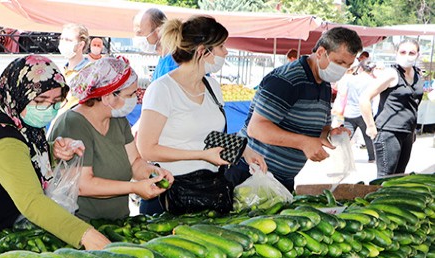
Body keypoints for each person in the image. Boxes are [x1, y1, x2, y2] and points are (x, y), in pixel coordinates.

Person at [0, 55, 111, 250]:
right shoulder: (3, 140)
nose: (48, 108)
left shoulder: (19, 123)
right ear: (19, 94)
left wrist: (52, 151)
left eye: (55, 101)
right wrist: (86, 236)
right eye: (40, 100)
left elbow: (20, 162)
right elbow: (32, 202)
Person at [136, 15, 267, 215]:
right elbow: (147, 149)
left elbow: (207, 135)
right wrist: (201, 155)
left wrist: (244, 150)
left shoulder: (212, 86)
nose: (226, 52)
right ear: (202, 51)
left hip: (209, 190)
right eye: (221, 46)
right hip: (168, 192)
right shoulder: (162, 89)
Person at [226, 27, 363, 191]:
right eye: (339, 62)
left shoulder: (324, 84)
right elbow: (256, 128)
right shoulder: (287, 80)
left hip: (281, 179)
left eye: (348, 65)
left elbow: (319, 129)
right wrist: (304, 143)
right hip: (250, 172)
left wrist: (330, 133)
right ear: (320, 52)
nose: (342, 69)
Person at [49, 57, 173, 221]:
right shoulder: (73, 124)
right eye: (131, 94)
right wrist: (134, 188)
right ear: (108, 97)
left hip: (118, 222)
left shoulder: (118, 120)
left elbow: (135, 162)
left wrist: (153, 173)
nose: (135, 99)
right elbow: (83, 185)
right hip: (81, 225)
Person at [359, 39, 425, 177]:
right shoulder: (391, 73)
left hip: (407, 132)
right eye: (403, 52)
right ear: (396, 53)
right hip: (388, 132)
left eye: (411, 52)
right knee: (385, 176)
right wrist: (370, 126)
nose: (407, 55)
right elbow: (364, 98)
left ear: (418, 54)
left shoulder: (418, 75)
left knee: (398, 177)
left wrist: (412, 131)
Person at [333, 59, 378, 162]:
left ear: (361, 68)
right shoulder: (373, 81)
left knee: (347, 136)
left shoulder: (350, 79)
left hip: (349, 112)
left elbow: (342, 92)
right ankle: (372, 157)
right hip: (364, 112)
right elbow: (375, 99)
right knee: (368, 136)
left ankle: (339, 156)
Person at [133, 8, 178, 81]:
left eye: (140, 32)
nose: (138, 37)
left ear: (158, 31)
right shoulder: (163, 58)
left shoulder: (174, 60)